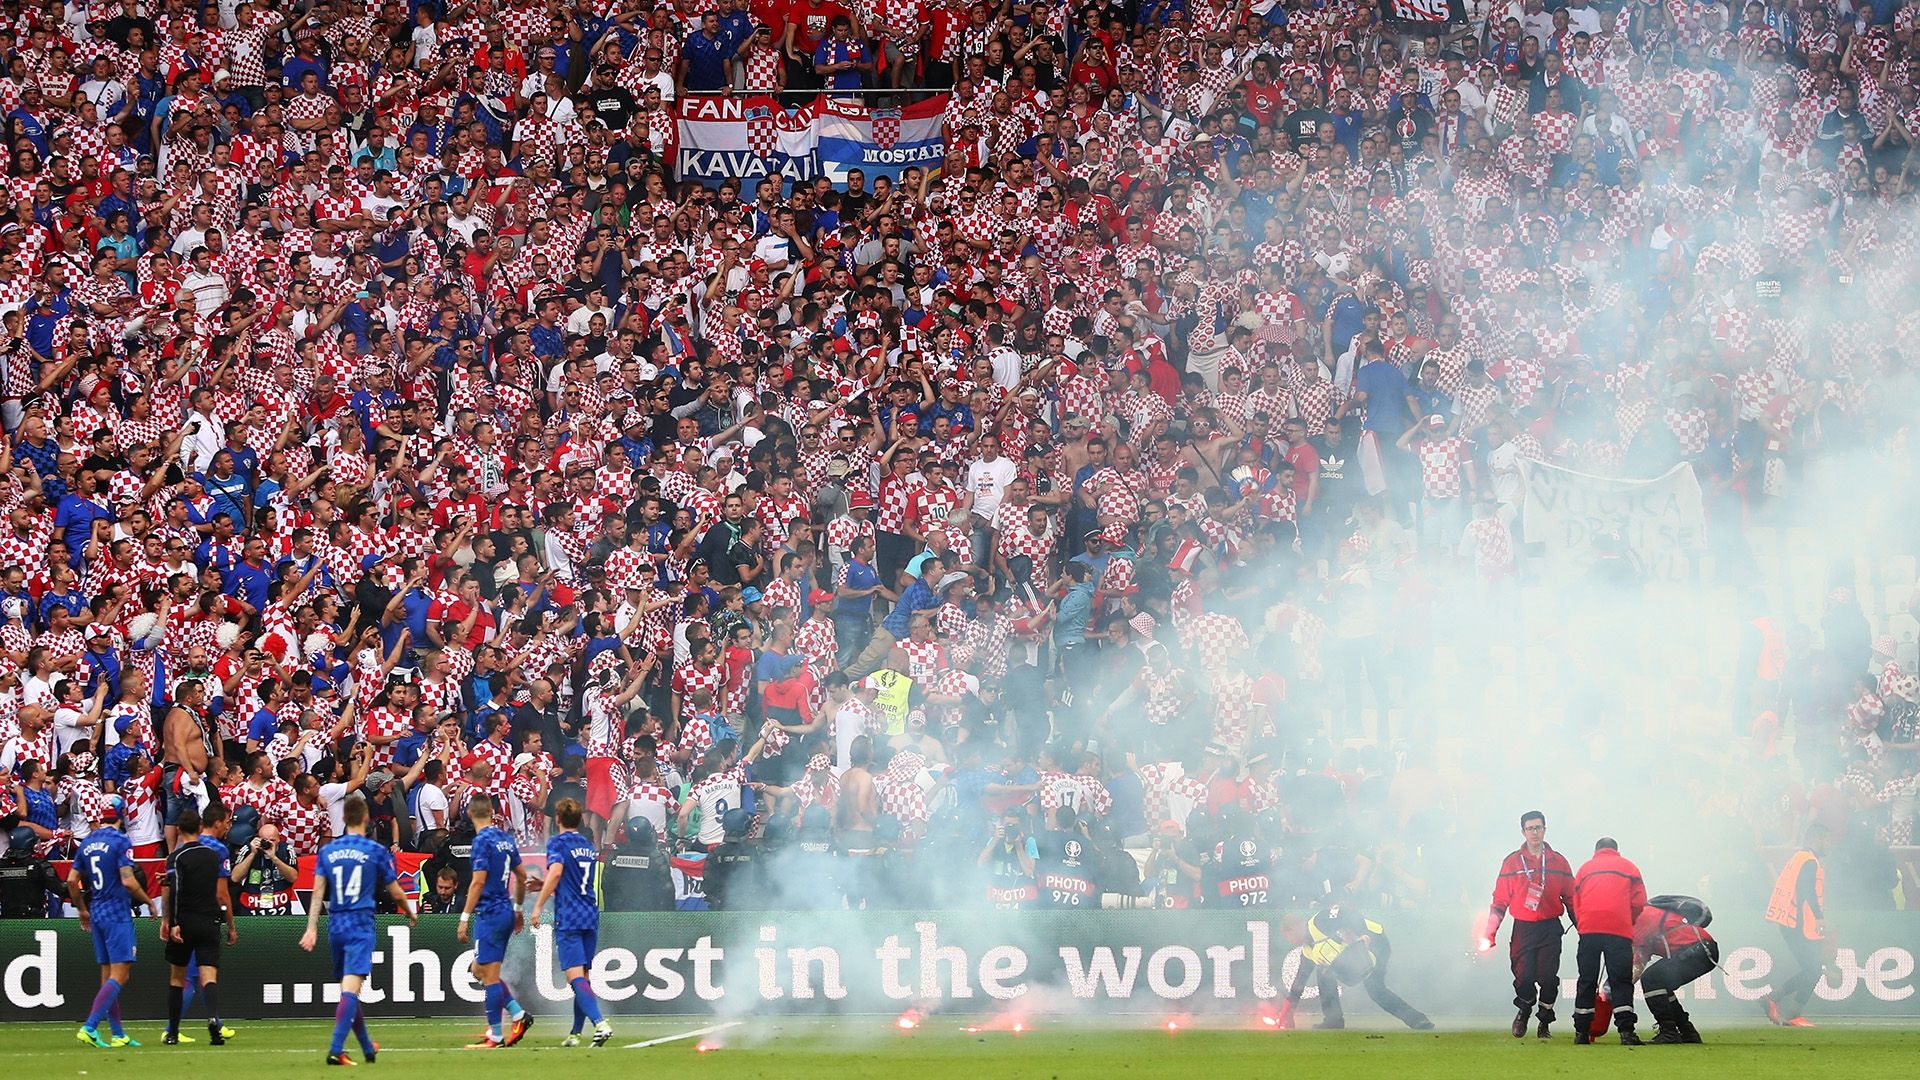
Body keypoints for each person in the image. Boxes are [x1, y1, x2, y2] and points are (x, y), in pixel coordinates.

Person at [300, 794, 418, 1066]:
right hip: (360, 925)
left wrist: (311, 928)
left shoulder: (328, 852)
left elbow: (318, 891)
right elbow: (397, 892)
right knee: (350, 991)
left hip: (335, 925)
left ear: (343, 819)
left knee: (349, 989)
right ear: (366, 818)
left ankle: (366, 1047)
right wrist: (410, 913)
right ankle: (336, 1048)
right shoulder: (375, 851)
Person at [528, 798, 615, 1047]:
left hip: (569, 916)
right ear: (578, 819)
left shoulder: (557, 843)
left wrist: (537, 905)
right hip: (590, 913)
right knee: (583, 977)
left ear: (557, 819)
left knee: (574, 977)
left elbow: (556, 873)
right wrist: (544, 885)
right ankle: (576, 1034)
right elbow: (572, 879)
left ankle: (600, 1023)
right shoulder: (587, 845)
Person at [1481, 809, 1574, 1038]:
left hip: (1550, 927)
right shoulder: (1512, 862)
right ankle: (1524, 1009)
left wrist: (1584, 926)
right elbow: (1500, 900)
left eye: (1538, 827)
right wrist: (1490, 933)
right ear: (1523, 831)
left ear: (1545, 829)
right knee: (1523, 976)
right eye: (1530, 828)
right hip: (1523, 928)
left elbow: (1572, 897)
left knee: (1549, 979)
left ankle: (1544, 1022)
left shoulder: (1559, 861)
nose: (1535, 832)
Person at [69, 795, 152, 1049]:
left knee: (107, 976)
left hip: (97, 912)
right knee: (121, 974)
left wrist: (82, 910)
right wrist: (148, 901)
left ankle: (117, 1034)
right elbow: (127, 880)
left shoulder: (88, 842)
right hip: (117, 913)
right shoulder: (120, 841)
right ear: (121, 814)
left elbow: (72, 880)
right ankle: (90, 1026)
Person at [1276, 905, 1433, 1030]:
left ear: (1294, 928)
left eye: (1287, 936)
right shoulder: (1308, 949)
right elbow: (1300, 981)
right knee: (1324, 972)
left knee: (1376, 990)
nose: (1289, 940)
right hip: (1356, 955)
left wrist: (1363, 934)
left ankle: (1418, 1020)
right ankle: (1333, 1021)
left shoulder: (1319, 921)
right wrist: (1288, 1011)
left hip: (1375, 941)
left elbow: (1348, 912)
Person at [458, 795, 533, 1048]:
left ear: (469, 813)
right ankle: (519, 1014)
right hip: (506, 912)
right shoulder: (505, 838)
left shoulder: (481, 841)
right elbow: (522, 877)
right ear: (492, 812)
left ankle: (496, 1035)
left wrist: (464, 917)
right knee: (480, 970)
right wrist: (519, 909)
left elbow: (478, 882)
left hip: (489, 913)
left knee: (488, 977)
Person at [159, 805, 237, 1046]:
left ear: (179, 830)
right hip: (208, 921)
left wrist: (168, 921)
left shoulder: (177, 856)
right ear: (202, 827)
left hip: (184, 922)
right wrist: (230, 924)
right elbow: (221, 894)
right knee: (208, 975)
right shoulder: (215, 854)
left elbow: (172, 891)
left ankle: (172, 1031)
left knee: (178, 977)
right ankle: (214, 1020)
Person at [1570, 837, 1648, 1045]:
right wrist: (1627, 920)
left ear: (1596, 851)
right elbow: (1640, 901)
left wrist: (1585, 924)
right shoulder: (1629, 867)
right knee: (1620, 981)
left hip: (1589, 931)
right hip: (1618, 931)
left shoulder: (1584, 869)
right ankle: (1626, 1033)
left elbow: (1575, 903)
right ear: (1616, 850)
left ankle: (1581, 1033)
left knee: (1587, 980)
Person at [1763, 826, 1829, 1027]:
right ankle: (1786, 1010)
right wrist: (1818, 917)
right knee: (1814, 970)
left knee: (1812, 969)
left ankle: (1779, 1004)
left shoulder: (1798, 858)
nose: (1829, 845)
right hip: (1797, 922)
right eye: (1826, 840)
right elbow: (1806, 890)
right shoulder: (1809, 861)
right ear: (1817, 839)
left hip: (1789, 921)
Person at [1631, 895, 1719, 1044]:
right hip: (1704, 949)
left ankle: (1669, 1032)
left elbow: (1636, 967)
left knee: (1651, 979)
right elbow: (1638, 964)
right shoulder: (1644, 918)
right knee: (1659, 983)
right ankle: (1687, 1031)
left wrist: (1615, 990)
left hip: (1697, 950)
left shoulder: (1641, 916)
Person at [0, 825, 67, 917]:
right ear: (30, 844)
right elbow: (61, 889)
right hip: (34, 920)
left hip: (6, 921)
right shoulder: (39, 866)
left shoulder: (2, 865)